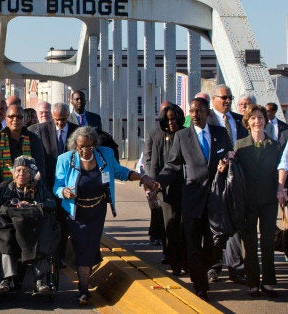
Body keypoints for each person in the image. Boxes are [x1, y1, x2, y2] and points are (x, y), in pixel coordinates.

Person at [54, 126, 158, 305]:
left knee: (90, 246)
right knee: (82, 248)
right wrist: (63, 191)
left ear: (94, 144)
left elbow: (120, 172)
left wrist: (142, 178)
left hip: (97, 211)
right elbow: (56, 185)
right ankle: (83, 290)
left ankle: (84, 277)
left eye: (89, 146)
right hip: (75, 212)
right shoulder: (65, 160)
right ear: (75, 146)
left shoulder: (105, 155)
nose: (85, 150)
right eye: (81, 147)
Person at [157, 97, 233, 300]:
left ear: (207, 112)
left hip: (216, 200)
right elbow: (172, 165)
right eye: (192, 111)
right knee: (192, 245)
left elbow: (229, 155)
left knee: (213, 246)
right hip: (192, 200)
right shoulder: (182, 136)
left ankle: (206, 270)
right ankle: (200, 286)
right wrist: (158, 182)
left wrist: (227, 163)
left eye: (199, 111)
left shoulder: (220, 133)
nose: (195, 115)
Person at [0, 156, 59, 294]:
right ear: (13, 172)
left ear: (32, 174)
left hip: (34, 228)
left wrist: (35, 204)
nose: (21, 174)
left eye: (25, 171)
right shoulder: (3, 188)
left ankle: (40, 280)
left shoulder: (40, 188)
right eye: (18, 170)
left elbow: (52, 203)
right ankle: (7, 279)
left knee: (44, 232)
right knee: (4, 234)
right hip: (10, 228)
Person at [231, 104, 282, 297]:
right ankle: (253, 282)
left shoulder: (275, 146)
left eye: (260, 118)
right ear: (247, 122)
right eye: (253, 118)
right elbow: (233, 172)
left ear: (265, 121)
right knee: (249, 242)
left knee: (268, 241)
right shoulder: (240, 146)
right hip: (247, 201)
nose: (257, 121)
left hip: (269, 200)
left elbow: (281, 171)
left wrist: (282, 190)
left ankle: (268, 282)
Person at [28, 102, 78, 268]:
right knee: (48, 221)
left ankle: (61, 255)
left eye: (63, 120)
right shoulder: (41, 129)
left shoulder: (75, 130)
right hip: (48, 183)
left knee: (64, 222)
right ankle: (47, 255)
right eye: (57, 120)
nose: (60, 123)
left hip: (67, 185)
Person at [206, 84, 247, 284]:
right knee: (215, 226)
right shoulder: (207, 120)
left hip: (237, 179)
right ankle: (214, 267)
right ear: (214, 99)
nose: (228, 101)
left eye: (230, 97)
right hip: (216, 180)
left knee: (236, 222)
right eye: (224, 97)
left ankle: (236, 269)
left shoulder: (240, 121)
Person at [143, 103, 186, 275]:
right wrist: (153, 185)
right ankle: (172, 258)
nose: (171, 123)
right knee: (169, 225)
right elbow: (153, 162)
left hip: (185, 186)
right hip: (165, 187)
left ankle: (183, 259)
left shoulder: (185, 134)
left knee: (184, 226)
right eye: (167, 119)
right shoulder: (157, 135)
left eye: (174, 119)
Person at [0, 104, 45, 187]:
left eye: (19, 117)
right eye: (11, 116)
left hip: (30, 187)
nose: (15, 120)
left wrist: (36, 182)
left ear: (24, 119)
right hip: (2, 187)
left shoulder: (33, 138)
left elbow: (40, 165)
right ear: (6, 118)